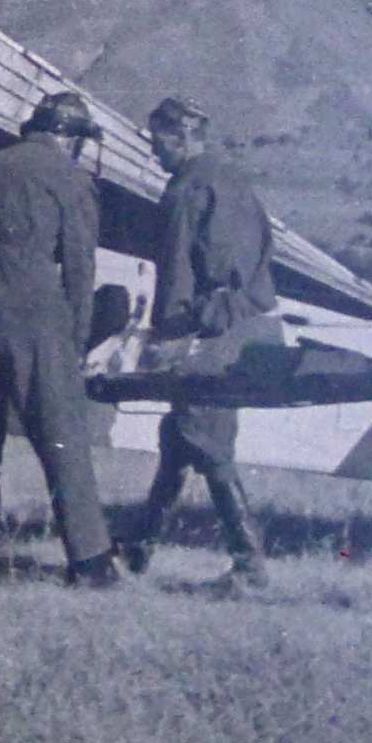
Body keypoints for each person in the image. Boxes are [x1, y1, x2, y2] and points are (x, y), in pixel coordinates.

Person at [0, 90, 123, 587]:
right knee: (63, 435)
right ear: (70, 138)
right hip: (32, 310)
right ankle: (90, 561)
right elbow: (80, 267)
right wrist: (78, 341)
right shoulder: (70, 178)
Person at [118, 95, 279, 586]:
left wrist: (166, 338)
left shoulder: (188, 188)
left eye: (157, 141)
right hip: (241, 327)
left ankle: (250, 564)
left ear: (182, 137)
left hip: (206, 330)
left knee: (206, 441)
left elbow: (178, 273)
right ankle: (137, 552)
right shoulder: (234, 181)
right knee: (180, 439)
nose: (153, 152)